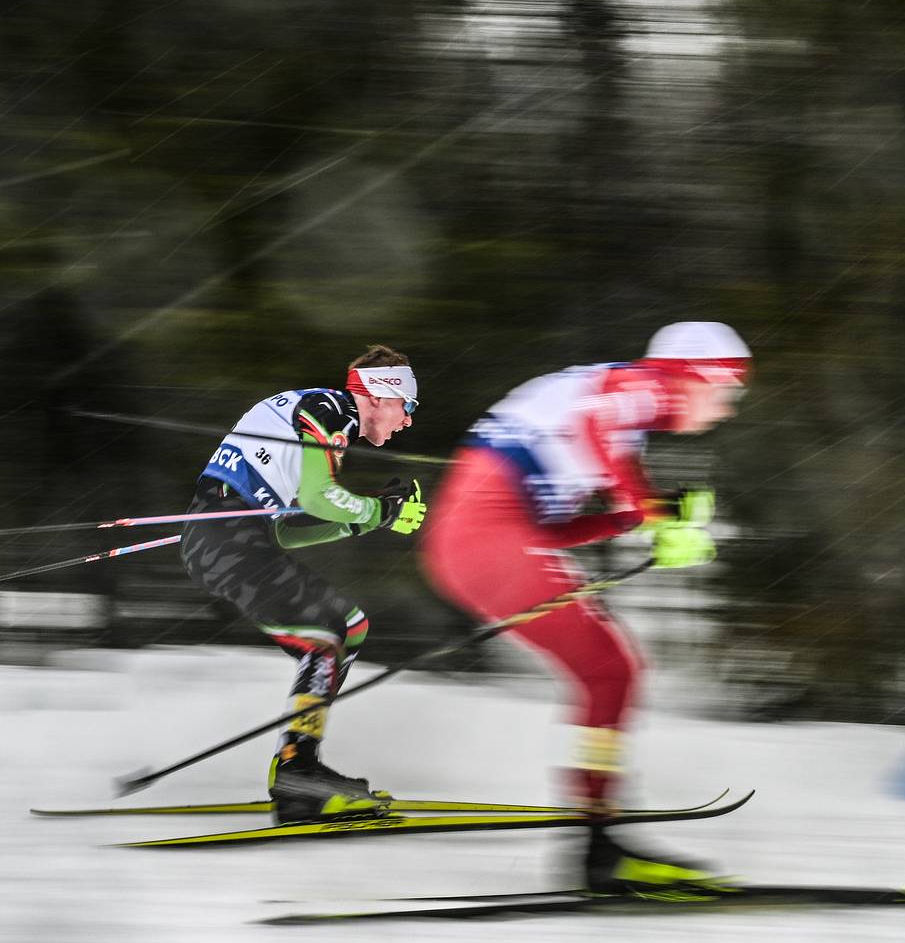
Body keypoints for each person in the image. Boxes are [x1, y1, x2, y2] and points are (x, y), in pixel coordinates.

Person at [420, 321, 750, 895]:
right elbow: (600, 422)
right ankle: (598, 847)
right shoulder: (639, 387)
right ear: (692, 377)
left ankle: (599, 841)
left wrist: (638, 517)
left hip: (480, 543)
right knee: (610, 672)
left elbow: (548, 527)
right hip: (482, 541)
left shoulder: (626, 418)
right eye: (726, 391)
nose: (727, 409)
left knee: (609, 675)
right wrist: (645, 510)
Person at [180, 344, 426, 823]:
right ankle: (296, 773)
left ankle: (299, 766)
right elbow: (319, 496)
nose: (408, 420)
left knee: (343, 631)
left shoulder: (324, 416)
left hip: (226, 536)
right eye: (408, 406)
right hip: (226, 535)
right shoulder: (330, 410)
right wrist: (383, 513)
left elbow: (287, 529)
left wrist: (370, 519)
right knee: (335, 630)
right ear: (379, 394)